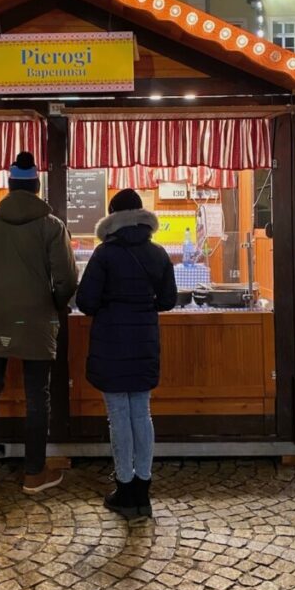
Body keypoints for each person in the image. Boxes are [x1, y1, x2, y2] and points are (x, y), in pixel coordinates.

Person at [0, 152, 77, 493]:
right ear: (36, 186)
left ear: (11, 186)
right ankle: (33, 474)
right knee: (36, 394)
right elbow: (67, 279)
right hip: (38, 322)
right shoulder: (51, 225)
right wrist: (53, 305)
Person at [76, 188, 177, 520]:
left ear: (112, 220)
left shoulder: (104, 255)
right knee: (141, 414)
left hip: (112, 343)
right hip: (145, 340)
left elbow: (86, 302)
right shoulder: (158, 254)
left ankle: (124, 486)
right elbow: (167, 301)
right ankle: (143, 491)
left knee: (118, 416)